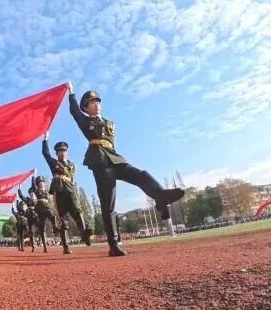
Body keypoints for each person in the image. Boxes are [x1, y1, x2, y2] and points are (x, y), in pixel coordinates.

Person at [67, 83, 184, 257]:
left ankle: (159, 195)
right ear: (85, 108)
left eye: (98, 101)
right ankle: (114, 245)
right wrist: (71, 92)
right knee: (108, 205)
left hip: (115, 159)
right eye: (92, 103)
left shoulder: (108, 123)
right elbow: (74, 111)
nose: (96, 104)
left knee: (140, 175)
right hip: (100, 162)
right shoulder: (85, 122)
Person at [42, 133, 92, 253]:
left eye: (64, 150)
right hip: (59, 191)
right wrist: (45, 139)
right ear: (56, 153)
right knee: (63, 219)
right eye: (60, 151)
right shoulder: (54, 163)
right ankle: (66, 246)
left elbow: (71, 178)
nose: (62, 153)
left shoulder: (72, 165)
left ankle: (84, 234)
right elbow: (45, 153)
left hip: (71, 190)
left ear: (67, 152)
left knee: (78, 212)